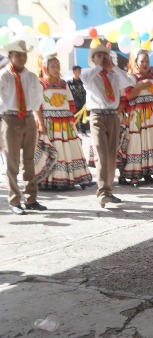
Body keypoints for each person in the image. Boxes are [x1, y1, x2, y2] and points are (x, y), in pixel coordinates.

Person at [81, 44, 135, 208]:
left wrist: (114, 68)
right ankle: (103, 191)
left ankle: (108, 191)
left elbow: (128, 82)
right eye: (99, 56)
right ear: (93, 59)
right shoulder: (89, 73)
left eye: (105, 55)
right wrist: (99, 67)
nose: (103, 58)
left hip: (113, 116)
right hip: (97, 116)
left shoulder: (113, 75)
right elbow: (84, 78)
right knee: (102, 154)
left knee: (111, 155)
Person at [0, 39, 47, 215]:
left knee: (29, 161)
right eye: (18, 54)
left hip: (28, 118)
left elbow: (37, 102)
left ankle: (31, 199)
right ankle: (14, 201)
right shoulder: (3, 75)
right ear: (10, 56)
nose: (22, 57)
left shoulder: (31, 76)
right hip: (10, 119)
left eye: (24, 54)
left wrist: (40, 122)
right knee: (12, 162)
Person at [35, 54, 93, 190]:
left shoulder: (63, 84)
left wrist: (71, 121)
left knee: (69, 149)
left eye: (58, 66)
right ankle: (51, 180)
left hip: (65, 124)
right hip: (49, 124)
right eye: (53, 66)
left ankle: (74, 178)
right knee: (54, 150)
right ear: (46, 68)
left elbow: (71, 103)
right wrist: (41, 124)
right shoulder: (41, 84)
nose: (56, 69)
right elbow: (37, 105)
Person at [121, 49, 153, 187]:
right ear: (136, 63)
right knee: (137, 143)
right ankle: (134, 175)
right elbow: (129, 96)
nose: (145, 64)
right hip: (138, 117)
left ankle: (148, 173)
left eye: (147, 61)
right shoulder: (131, 77)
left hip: (152, 117)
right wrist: (142, 85)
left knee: (150, 142)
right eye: (142, 61)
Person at [68, 65, 88, 135]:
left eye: (80, 71)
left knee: (83, 117)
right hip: (74, 103)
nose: (79, 72)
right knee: (73, 117)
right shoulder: (69, 82)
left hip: (82, 102)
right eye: (78, 71)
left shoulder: (83, 82)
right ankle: (73, 132)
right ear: (74, 72)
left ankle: (83, 132)